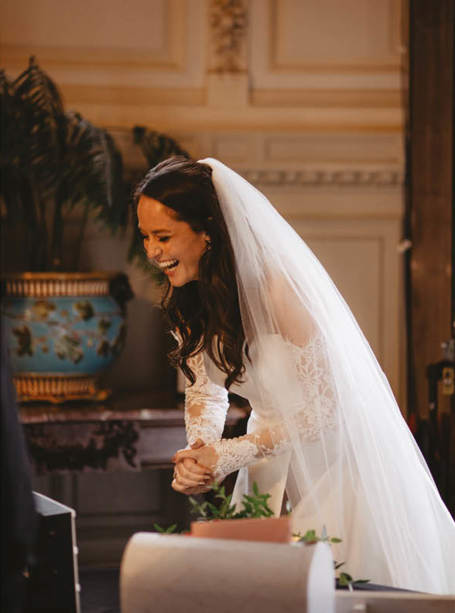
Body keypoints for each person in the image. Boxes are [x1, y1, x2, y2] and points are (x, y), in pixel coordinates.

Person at [135, 156, 455, 593]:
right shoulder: (187, 299)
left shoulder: (278, 290)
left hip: (337, 466)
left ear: (206, 232)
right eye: (146, 237)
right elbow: (205, 392)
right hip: (266, 463)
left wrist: (228, 456)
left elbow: (328, 407)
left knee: (339, 587)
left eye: (163, 236)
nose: (153, 252)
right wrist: (200, 453)